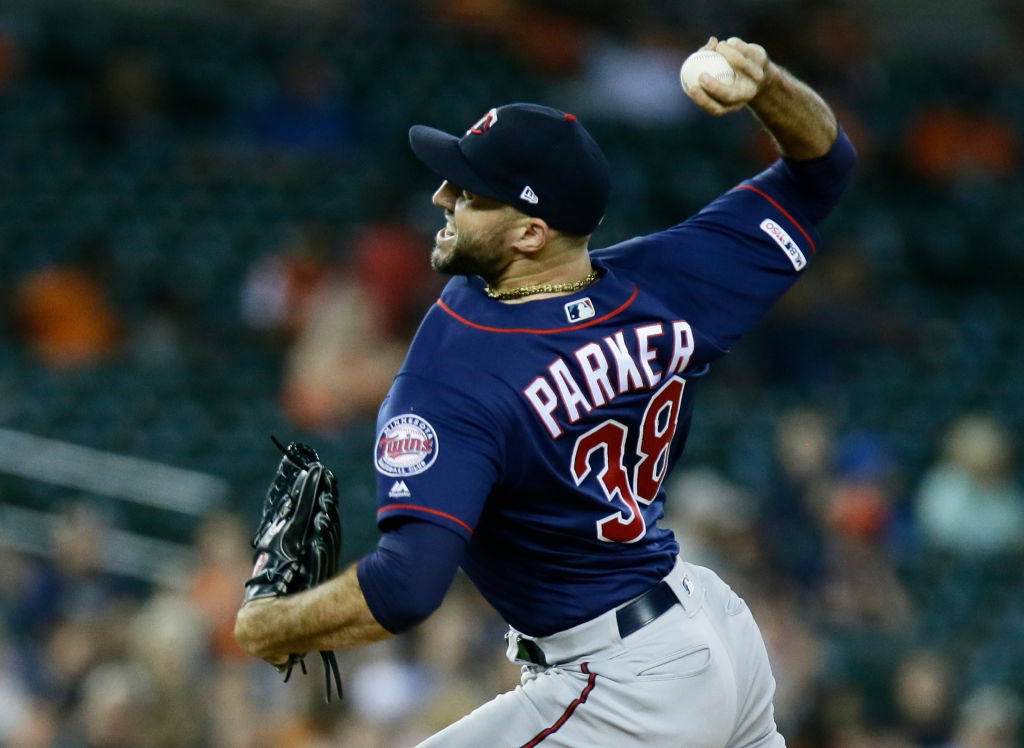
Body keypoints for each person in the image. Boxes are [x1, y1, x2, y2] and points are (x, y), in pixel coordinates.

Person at [235, 36, 856, 746]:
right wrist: (768, 84)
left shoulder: (456, 371)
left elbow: (406, 588)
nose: (442, 197)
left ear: (531, 233)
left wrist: (271, 625)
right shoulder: (672, 282)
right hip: (710, 628)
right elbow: (824, 167)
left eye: (470, 194)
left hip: (624, 686)